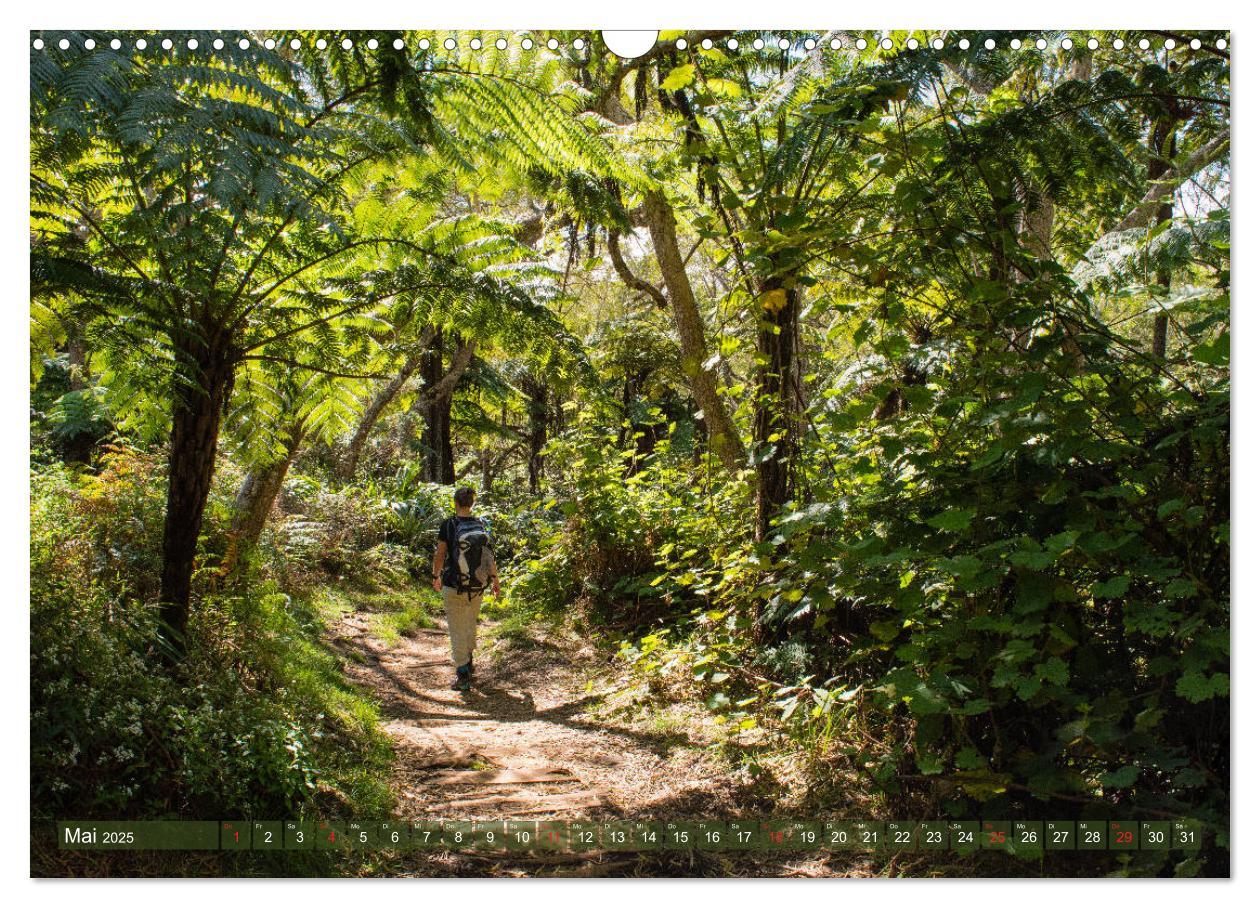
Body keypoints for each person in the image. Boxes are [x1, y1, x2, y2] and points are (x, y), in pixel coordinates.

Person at [432, 487, 500, 691]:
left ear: (455, 502)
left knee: (456, 628)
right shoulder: (481, 524)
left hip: (454, 584)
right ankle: (469, 662)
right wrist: (495, 580)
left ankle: (462, 673)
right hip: (477, 585)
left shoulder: (449, 525)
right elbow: (488, 556)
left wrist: (436, 576)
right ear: (472, 503)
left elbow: (441, 553)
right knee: (470, 624)